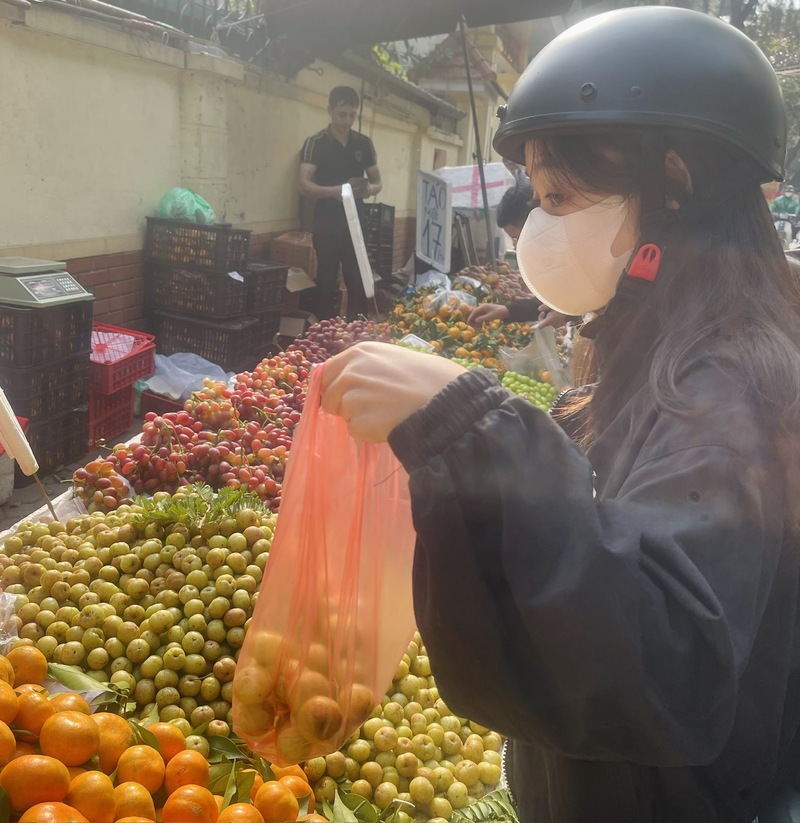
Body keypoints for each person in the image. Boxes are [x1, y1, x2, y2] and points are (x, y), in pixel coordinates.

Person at [320, 8, 800, 822]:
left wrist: (472, 427)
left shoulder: (732, 388)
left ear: (674, 183)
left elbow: (665, 658)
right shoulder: (669, 348)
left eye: (560, 196)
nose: (536, 229)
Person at [298, 86, 382, 321]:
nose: (347, 121)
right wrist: (332, 192)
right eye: (342, 114)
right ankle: (324, 332)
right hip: (326, 221)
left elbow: (377, 182)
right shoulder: (315, 143)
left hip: (356, 222)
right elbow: (304, 184)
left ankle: (358, 331)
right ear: (330, 110)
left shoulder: (364, 143)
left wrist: (369, 189)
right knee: (325, 278)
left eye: (352, 115)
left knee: (357, 278)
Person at [468, 185, 568, 329]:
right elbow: (550, 303)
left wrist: (567, 312)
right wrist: (506, 311)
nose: (517, 245)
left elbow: (591, 299)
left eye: (517, 237)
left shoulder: (567, 247)